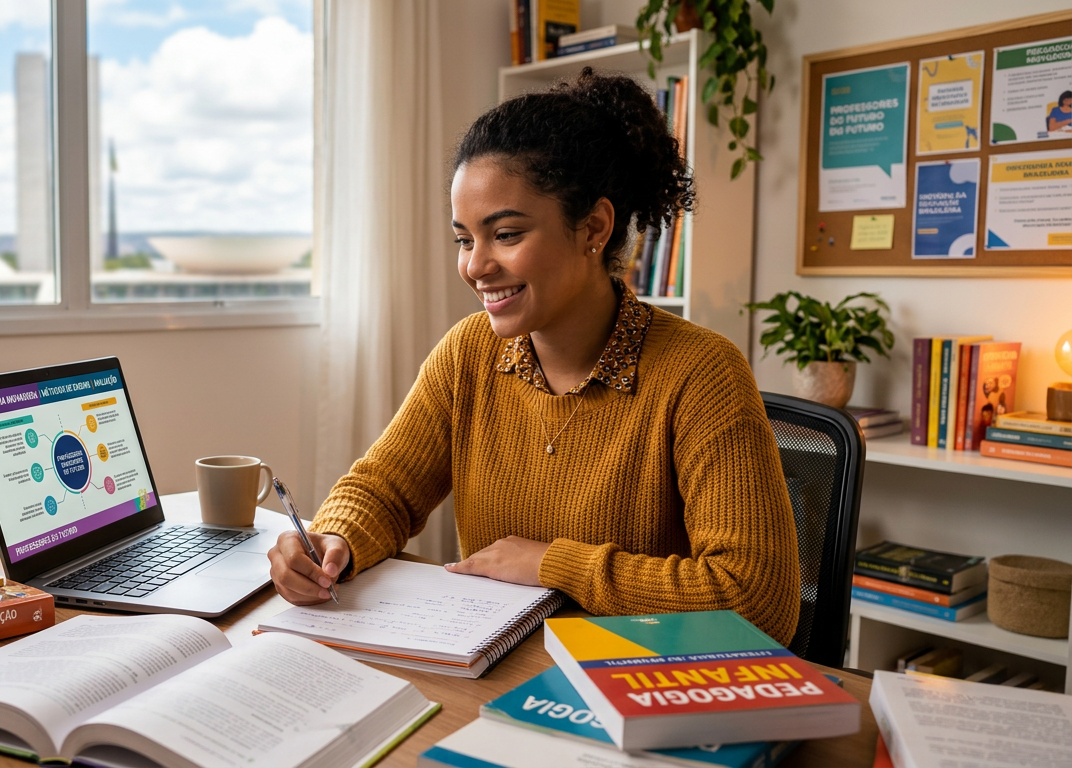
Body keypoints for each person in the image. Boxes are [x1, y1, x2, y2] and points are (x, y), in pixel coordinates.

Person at [268, 68, 801, 644]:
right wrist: (332, 541)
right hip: (498, 666)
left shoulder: (701, 373)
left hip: (641, 682)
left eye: (506, 234)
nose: (475, 266)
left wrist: (553, 565)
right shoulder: (468, 353)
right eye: (464, 239)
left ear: (594, 226)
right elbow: (385, 489)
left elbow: (755, 600)